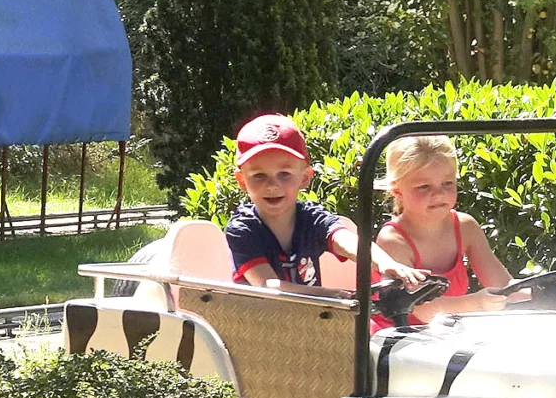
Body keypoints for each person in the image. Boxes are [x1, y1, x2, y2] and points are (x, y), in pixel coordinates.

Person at [221, 113, 416, 290]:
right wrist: (330, 298)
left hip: (312, 323)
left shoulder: (311, 219)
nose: (272, 185)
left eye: (284, 174)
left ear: (305, 178)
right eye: (259, 176)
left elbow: (346, 241)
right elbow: (268, 286)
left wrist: (385, 262)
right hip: (259, 323)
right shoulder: (242, 229)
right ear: (242, 181)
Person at [370, 134, 520, 325]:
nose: (439, 193)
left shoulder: (466, 227)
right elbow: (425, 310)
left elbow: (504, 287)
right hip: (395, 341)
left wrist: (546, 291)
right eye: (424, 186)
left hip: (445, 337)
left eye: (447, 183)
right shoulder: (393, 240)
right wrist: (477, 303)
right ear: (397, 191)